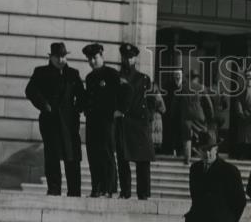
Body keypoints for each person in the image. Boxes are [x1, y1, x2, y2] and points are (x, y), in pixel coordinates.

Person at [25, 42, 85, 197]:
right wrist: (43, 104)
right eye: (57, 57)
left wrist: (77, 110)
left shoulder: (73, 74)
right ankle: (54, 189)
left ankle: (74, 191)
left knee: (72, 157)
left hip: (69, 123)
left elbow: (82, 96)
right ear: (50, 57)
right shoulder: (41, 72)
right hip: (50, 122)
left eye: (63, 56)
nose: (61, 60)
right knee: (52, 156)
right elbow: (30, 90)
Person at [115, 43, 165, 200]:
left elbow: (153, 101)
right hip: (123, 123)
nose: (128, 60)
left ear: (135, 58)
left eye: (131, 57)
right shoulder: (117, 78)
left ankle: (144, 193)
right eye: (125, 57)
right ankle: (125, 192)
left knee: (143, 161)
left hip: (140, 123)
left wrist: (148, 117)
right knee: (123, 160)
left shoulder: (144, 79)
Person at [81, 43, 121, 197]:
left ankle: (109, 189)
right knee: (93, 155)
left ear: (101, 57)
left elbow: (124, 93)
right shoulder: (90, 77)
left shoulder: (112, 74)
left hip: (106, 122)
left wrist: (119, 111)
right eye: (89, 59)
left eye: (95, 58)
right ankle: (96, 188)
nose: (92, 62)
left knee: (107, 154)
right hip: (92, 122)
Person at [180, 71, 217, 161]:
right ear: (197, 78)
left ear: (189, 78)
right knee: (203, 135)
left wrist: (174, 114)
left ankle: (187, 159)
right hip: (199, 115)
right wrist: (211, 115)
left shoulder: (183, 87)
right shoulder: (201, 87)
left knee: (187, 137)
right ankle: (204, 158)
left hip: (186, 115)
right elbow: (208, 103)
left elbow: (176, 103)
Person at [233, 69, 251, 159]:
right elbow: (238, 103)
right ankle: (242, 155)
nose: (249, 80)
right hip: (244, 117)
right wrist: (240, 113)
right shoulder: (240, 91)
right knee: (243, 137)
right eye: (247, 78)